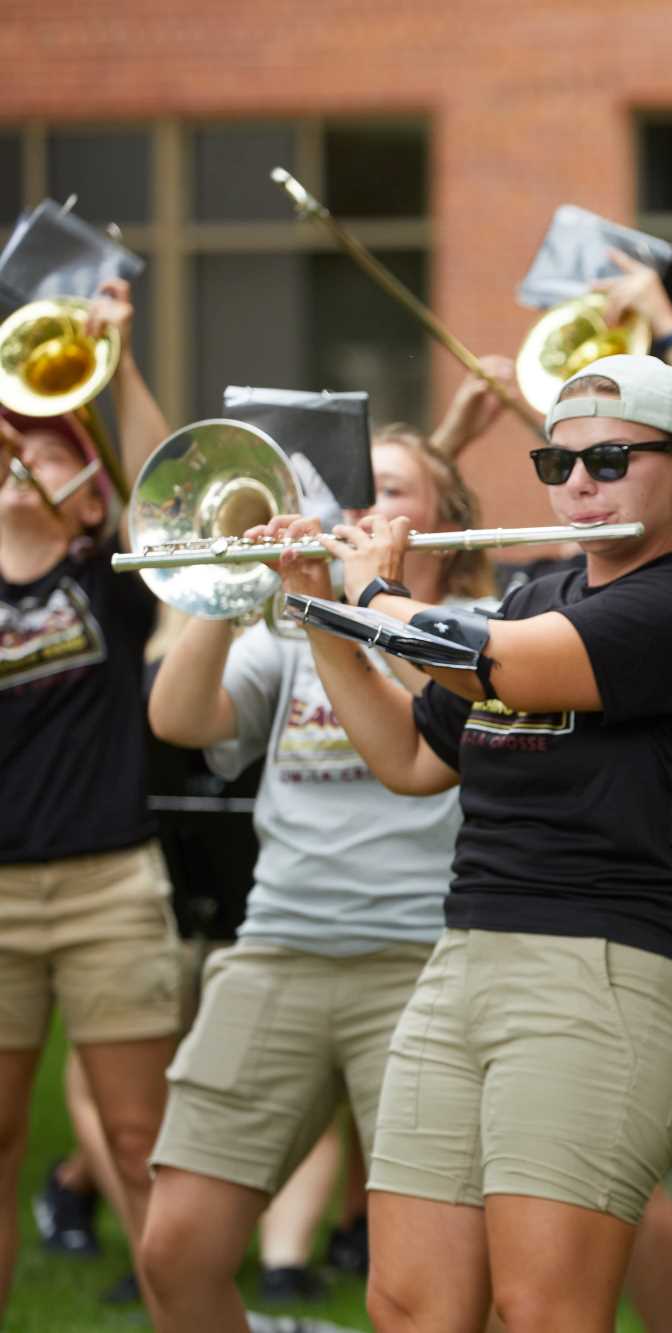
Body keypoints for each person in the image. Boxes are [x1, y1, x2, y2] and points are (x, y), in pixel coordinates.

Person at [261, 353, 672, 1333]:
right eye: (556, 462)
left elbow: (496, 670)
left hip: (606, 969)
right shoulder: (536, 596)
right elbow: (410, 757)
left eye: (609, 459)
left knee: (541, 1308)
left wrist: (375, 596)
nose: (576, 484)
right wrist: (315, 605)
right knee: (409, 1303)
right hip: (464, 960)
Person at [136, 426, 491, 1333]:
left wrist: (369, 600)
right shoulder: (290, 637)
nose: (366, 505)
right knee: (176, 1252)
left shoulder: (492, 630)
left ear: (446, 518)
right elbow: (179, 719)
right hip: (281, 949)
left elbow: (466, 703)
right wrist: (230, 584)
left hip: (426, 964)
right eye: (354, 490)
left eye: (397, 489)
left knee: (442, 1287)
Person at [0, 277, 178, 1320]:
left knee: (136, 1136)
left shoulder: (108, 572)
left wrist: (120, 361)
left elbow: (167, 495)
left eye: (57, 451)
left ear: (91, 488)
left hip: (110, 881)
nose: (31, 464)